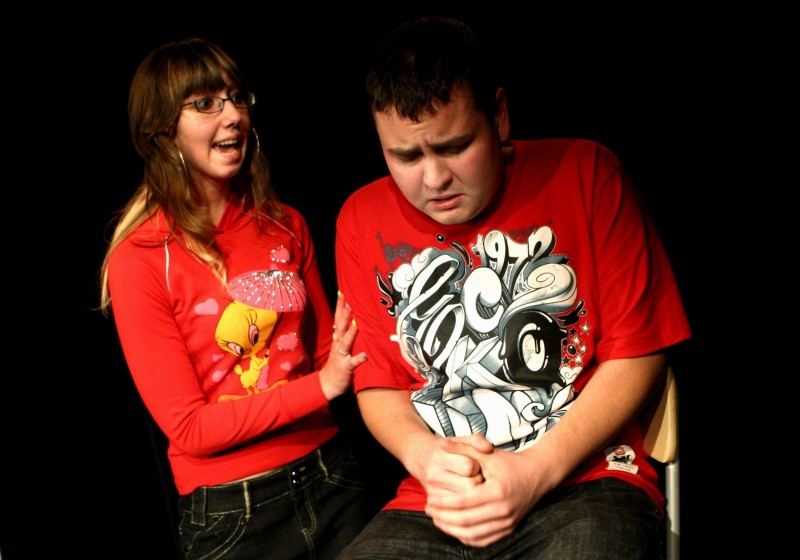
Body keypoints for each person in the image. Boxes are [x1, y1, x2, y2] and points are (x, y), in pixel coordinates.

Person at [334, 16, 692, 560]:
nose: (434, 179)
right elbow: (378, 384)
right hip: (439, 501)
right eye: (405, 156)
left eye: (455, 146)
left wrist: (532, 471)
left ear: (499, 115)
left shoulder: (587, 173)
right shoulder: (361, 218)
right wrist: (425, 457)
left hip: (586, 481)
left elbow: (640, 353)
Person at [99, 37, 374, 560]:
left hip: (331, 477)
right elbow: (190, 428)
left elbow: (327, 355)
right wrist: (323, 385)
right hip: (235, 514)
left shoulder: (285, 224)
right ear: (162, 129)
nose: (233, 116)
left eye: (237, 98)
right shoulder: (141, 256)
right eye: (206, 103)